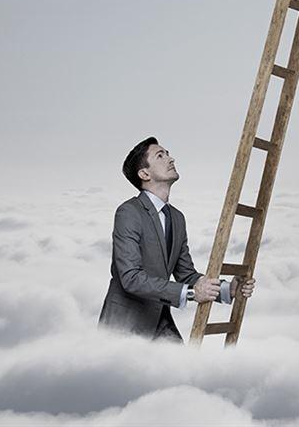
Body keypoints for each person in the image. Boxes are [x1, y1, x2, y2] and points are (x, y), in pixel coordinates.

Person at [98, 136, 255, 342]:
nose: (171, 159)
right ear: (144, 173)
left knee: (188, 372)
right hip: (125, 326)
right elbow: (130, 278)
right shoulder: (128, 212)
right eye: (160, 156)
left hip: (161, 321)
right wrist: (191, 294)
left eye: (168, 154)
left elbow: (186, 274)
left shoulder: (177, 218)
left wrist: (226, 289)